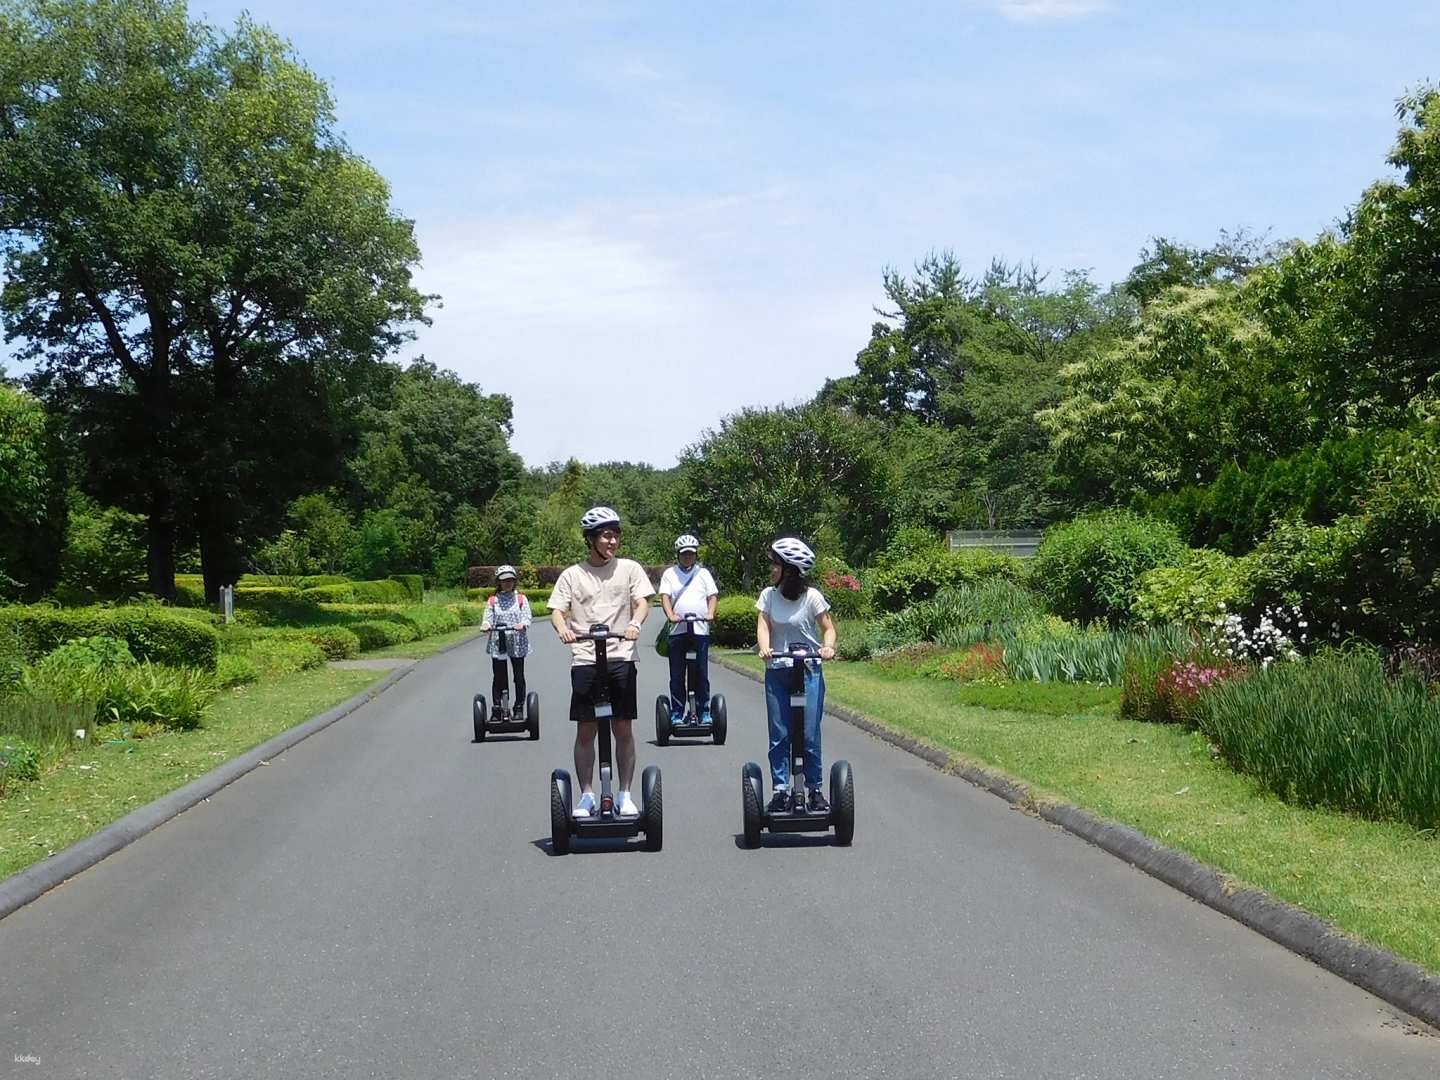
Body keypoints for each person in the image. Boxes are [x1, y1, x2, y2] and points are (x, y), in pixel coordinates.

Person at [548, 506, 654, 818]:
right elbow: (556, 609)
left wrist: (635, 623)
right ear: (591, 539)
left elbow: (642, 602)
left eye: (616, 535)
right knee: (586, 729)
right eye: (606, 535)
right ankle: (587, 796)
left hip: (620, 655)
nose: (613, 541)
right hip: (585, 658)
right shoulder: (572, 574)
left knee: (623, 727)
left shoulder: (630, 569)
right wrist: (563, 628)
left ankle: (624, 794)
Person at [755, 537, 837, 814]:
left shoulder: (812, 597)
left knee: (809, 734)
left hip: (809, 670)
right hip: (778, 671)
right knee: (780, 734)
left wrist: (827, 647)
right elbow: (764, 626)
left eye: (775, 565)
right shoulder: (768, 595)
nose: (771, 570)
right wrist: (765, 648)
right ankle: (780, 790)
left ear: (789, 569)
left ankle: (814, 789)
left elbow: (828, 628)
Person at [658, 534, 719, 724]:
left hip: (700, 630)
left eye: (691, 554)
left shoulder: (703, 574)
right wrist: (671, 615)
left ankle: (704, 711)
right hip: (678, 630)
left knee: (701, 673)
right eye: (684, 554)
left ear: (695, 555)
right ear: (678, 554)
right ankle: (676, 712)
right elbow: (665, 597)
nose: (687, 557)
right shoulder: (670, 574)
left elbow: (712, 596)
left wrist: (710, 613)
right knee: (677, 674)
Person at [479, 564, 531, 718]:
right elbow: (488, 618)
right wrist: (486, 624)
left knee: (518, 676)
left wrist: (523, 624)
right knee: (499, 676)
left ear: (515, 581)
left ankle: (519, 707)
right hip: (498, 642)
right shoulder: (493, 600)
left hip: (517, 641)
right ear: (499, 582)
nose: (507, 583)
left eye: (510, 580)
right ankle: (497, 708)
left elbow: (527, 616)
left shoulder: (521, 599)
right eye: (504, 581)